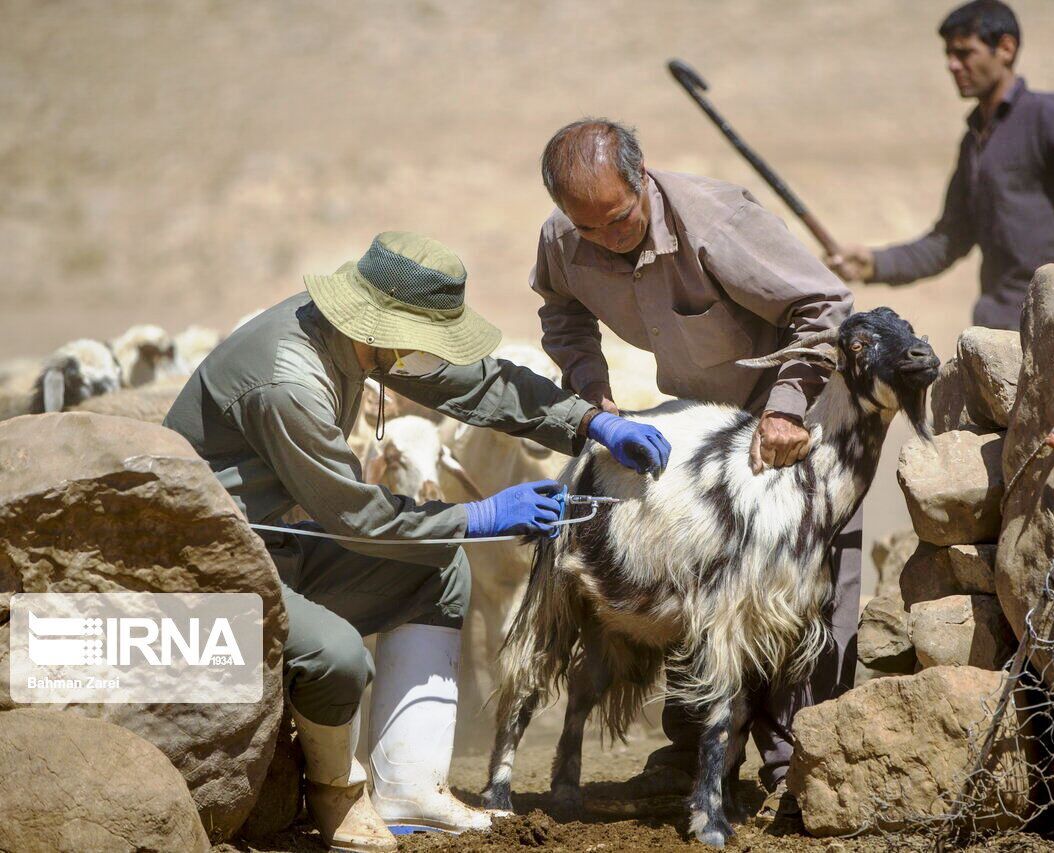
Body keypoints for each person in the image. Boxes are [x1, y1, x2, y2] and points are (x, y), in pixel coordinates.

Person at [164, 232, 670, 851]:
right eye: (426, 337)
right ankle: (335, 795)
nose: (431, 353)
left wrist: (591, 423)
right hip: (212, 569)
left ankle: (408, 787)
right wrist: (478, 517)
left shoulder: (350, 340)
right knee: (336, 656)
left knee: (437, 570)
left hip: (280, 545)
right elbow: (359, 520)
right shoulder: (289, 383)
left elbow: (476, 385)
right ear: (382, 323)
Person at [529, 118, 857, 823]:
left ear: (643, 177)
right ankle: (695, 756)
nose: (607, 237)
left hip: (794, 418)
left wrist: (789, 406)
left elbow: (826, 305)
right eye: (589, 229)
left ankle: (800, 763)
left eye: (620, 219)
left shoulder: (718, 222)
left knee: (801, 591)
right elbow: (560, 313)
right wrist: (596, 399)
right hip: (706, 434)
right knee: (696, 581)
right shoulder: (568, 234)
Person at [826, 0, 1054, 330]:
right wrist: (874, 264)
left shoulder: (1046, 115)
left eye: (964, 53)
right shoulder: (974, 141)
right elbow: (949, 240)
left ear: (1005, 48)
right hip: (996, 327)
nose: (952, 65)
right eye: (948, 54)